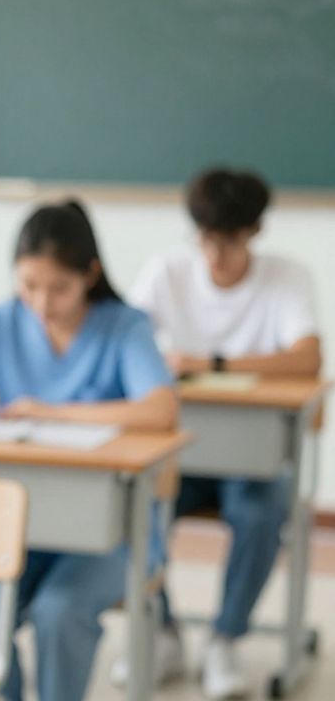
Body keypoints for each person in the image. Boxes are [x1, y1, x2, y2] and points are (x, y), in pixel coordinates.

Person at [0, 200, 179, 701]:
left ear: (90, 274)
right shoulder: (1, 321)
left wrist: (51, 412)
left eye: (59, 288)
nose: (42, 304)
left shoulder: (124, 327)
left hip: (113, 534)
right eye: (29, 286)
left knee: (60, 611)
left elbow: (160, 410)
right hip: (15, 526)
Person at [120, 168, 321, 698]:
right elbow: (125, 342)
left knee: (261, 512)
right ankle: (163, 632)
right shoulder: (166, 272)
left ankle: (224, 639)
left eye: (229, 242)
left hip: (250, 461)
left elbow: (307, 359)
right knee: (136, 505)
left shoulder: (286, 278)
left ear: (254, 232)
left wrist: (211, 363)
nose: (214, 255)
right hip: (175, 458)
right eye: (206, 239)